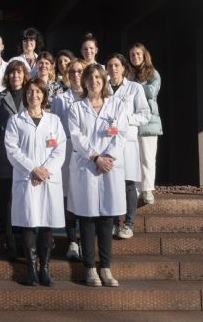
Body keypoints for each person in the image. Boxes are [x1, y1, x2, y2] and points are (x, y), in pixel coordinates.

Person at [67, 63, 128, 287]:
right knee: (87, 218)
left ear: (104, 81)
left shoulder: (116, 106)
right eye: (90, 78)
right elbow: (77, 137)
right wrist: (96, 158)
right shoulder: (76, 108)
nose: (94, 81)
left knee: (106, 219)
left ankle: (105, 267)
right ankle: (90, 269)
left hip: (109, 167)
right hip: (87, 166)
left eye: (98, 78)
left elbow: (121, 133)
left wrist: (108, 157)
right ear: (84, 81)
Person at [5, 78, 66, 286]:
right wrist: (33, 168)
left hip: (48, 179)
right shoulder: (15, 120)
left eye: (38, 92)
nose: (34, 96)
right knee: (29, 223)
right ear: (25, 95)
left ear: (44, 95)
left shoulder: (54, 121)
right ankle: (31, 270)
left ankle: (45, 269)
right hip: (27, 178)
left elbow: (60, 149)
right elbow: (12, 149)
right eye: (30, 92)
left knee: (47, 223)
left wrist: (45, 170)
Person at [107, 54, 150, 239]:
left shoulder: (134, 88)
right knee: (112, 183)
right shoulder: (103, 88)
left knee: (129, 184)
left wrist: (126, 120)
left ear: (124, 68)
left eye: (117, 65)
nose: (113, 69)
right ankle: (115, 223)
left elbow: (145, 114)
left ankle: (129, 224)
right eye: (110, 66)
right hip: (108, 142)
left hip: (127, 142)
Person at [50, 59, 87, 261]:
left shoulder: (92, 98)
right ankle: (73, 240)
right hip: (66, 155)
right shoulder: (60, 100)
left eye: (80, 71)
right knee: (68, 197)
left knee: (85, 196)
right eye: (72, 72)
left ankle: (86, 240)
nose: (75, 75)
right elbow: (54, 128)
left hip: (87, 155)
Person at [0, 60, 30, 260]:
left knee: (25, 201)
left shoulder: (31, 94)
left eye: (19, 72)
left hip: (27, 157)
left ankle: (26, 244)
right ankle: (10, 243)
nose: (15, 76)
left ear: (24, 74)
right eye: (12, 73)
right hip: (5, 157)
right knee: (6, 202)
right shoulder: (0, 97)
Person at [129, 43, 162, 205]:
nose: (135, 57)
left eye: (138, 54)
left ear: (144, 56)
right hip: (132, 123)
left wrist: (135, 87)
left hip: (149, 122)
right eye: (133, 54)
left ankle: (147, 189)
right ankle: (136, 188)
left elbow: (152, 91)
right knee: (134, 158)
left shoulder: (152, 73)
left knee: (148, 158)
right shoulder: (127, 74)